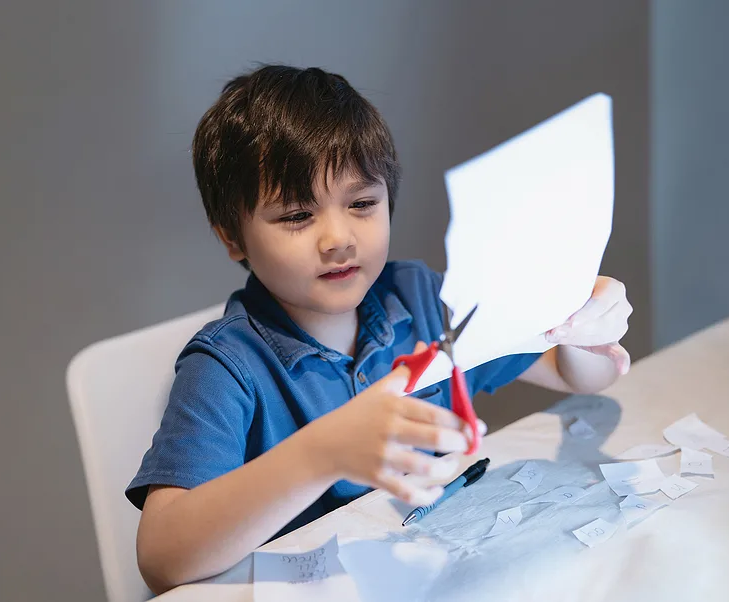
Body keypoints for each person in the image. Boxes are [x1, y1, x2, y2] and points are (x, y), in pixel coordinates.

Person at [126, 65, 632, 594]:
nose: (338, 238)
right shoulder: (226, 366)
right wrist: (323, 452)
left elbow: (575, 375)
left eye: (362, 204)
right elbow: (163, 558)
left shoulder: (418, 298)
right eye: (298, 215)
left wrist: (582, 323)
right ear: (233, 237)